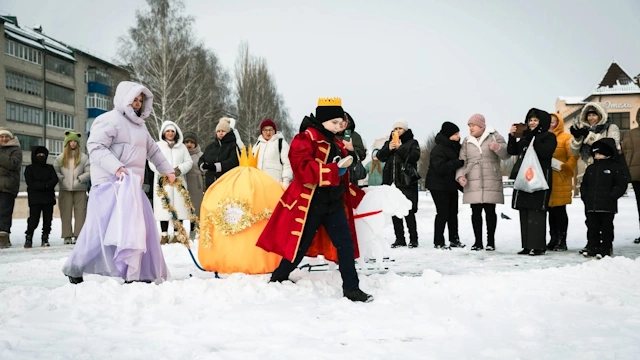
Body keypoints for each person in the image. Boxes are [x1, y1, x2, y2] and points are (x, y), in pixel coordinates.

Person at [256, 97, 373, 303]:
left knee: (345, 244)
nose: (339, 127)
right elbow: (302, 169)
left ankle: (352, 288)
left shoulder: (335, 141)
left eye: (341, 123)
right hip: (310, 204)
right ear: (324, 120)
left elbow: (342, 171)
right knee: (299, 245)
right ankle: (279, 276)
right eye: (335, 122)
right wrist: (334, 169)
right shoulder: (305, 138)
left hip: (334, 202)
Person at [62, 81, 176, 284]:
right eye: (134, 99)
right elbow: (95, 147)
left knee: (137, 229)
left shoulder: (141, 127)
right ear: (124, 99)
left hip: (131, 186)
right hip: (109, 184)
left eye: (141, 100)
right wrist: (116, 167)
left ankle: (135, 271)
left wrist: (167, 170)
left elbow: (153, 151)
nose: (137, 103)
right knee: (101, 228)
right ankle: (76, 267)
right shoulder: (108, 120)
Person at [569, 102, 620, 254]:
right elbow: (573, 151)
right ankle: (592, 243)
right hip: (588, 171)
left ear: (600, 115)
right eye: (589, 115)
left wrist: (588, 136)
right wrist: (578, 137)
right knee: (590, 215)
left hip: (606, 174)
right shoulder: (584, 129)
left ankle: (605, 245)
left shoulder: (611, 128)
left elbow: (611, 146)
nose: (591, 118)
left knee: (605, 217)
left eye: (594, 115)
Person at [455, 114, 510, 251]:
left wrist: (497, 148)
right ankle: (478, 242)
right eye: (469, 126)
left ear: (481, 125)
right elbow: (462, 160)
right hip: (473, 179)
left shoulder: (494, 136)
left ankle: (490, 242)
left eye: (472, 125)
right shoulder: (467, 141)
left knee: (490, 211)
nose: (470, 128)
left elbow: (506, 155)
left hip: (490, 178)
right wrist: (460, 176)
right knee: (475, 212)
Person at [508, 108, 557, 256]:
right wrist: (511, 136)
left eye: (535, 120)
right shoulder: (526, 136)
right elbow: (512, 151)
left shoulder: (549, 137)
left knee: (537, 212)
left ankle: (538, 246)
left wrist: (532, 139)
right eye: (530, 120)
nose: (532, 123)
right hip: (525, 179)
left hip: (539, 179)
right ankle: (527, 246)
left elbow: (545, 152)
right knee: (524, 211)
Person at [377, 119, 421, 248]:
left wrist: (400, 148)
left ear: (405, 130)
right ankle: (399, 238)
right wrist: (388, 149)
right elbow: (380, 156)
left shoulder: (412, 143)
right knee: (395, 210)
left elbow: (414, 157)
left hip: (406, 181)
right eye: (395, 129)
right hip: (391, 182)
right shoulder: (389, 142)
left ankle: (413, 238)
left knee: (408, 210)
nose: (397, 131)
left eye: (400, 129)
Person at [580, 138, 628, 258]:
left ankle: (605, 248)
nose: (597, 156)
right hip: (591, 204)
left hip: (607, 205)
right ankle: (593, 247)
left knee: (606, 228)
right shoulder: (591, 168)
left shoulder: (614, 167)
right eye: (595, 154)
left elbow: (621, 184)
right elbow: (584, 184)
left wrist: (612, 196)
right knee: (592, 227)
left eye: (600, 153)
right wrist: (585, 196)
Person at [150, 121, 193, 244]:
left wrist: (179, 170)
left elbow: (188, 162)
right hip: (163, 182)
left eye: (172, 131)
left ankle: (176, 234)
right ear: (163, 133)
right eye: (168, 131)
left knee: (178, 208)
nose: (170, 133)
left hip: (178, 181)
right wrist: (163, 171)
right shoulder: (157, 146)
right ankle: (164, 234)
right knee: (164, 207)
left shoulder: (182, 147)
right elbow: (151, 162)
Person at [425, 122, 465, 249]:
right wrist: (457, 163)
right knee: (443, 213)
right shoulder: (438, 149)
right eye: (455, 134)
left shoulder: (456, 147)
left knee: (453, 212)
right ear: (448, 135)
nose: (458, 136)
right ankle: (438, 241)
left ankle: (454, 239)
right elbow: (440, 167)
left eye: (458, 133)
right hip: (438, 185)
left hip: (451, 185)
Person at [546, 112, 578, 251]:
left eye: (554, 121)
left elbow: (573, 155)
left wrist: (567, 168)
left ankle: (562, 240)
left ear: (558, 122)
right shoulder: (544, 138)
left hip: (561, 178)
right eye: (549, 121)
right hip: (547, 178)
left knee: (559, 210)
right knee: (550, 211)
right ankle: (553, 239)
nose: (551, 124)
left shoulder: (566, 137)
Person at [54, 131, 90, 245]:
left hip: (80, 189)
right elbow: (55, 171)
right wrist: (62, 179)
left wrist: (80, 179)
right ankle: (67, 235)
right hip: (65, 190)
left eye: (75, 141)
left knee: (81, 213)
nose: (73, 143)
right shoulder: (60, 158)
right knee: (65, 213)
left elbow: (89, 172)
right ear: (67, 143)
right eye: (71, 141)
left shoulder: (84, 158)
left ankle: (79, 235)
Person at [24, 146, 58, 248]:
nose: (41, 156)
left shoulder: (50, 168)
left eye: (43, 154)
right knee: (34, 219)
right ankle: (29, 237)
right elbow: (30, 183)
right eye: (38, 154)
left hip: (48, 199)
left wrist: (47, 185)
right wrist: (44, 185)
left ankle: (45, 238)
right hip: (35, 199)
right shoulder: (29, 168)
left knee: (48, 220)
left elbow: (54, 179)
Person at [199, 118, 239, 189]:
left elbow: (233, 161)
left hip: (226, 180)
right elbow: (202, 158)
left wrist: (217, 167)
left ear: (228, 132)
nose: (220, 133)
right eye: (218, 131)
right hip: (211, 182)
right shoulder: (210, 147)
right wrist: (203, 165)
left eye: (223, 131)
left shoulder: (233, 146)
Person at [253, 118, 293, 187]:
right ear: (261, 131)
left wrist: (285, 183)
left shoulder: (281, 143)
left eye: (270, 130)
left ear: (274, 131)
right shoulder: (257, 145)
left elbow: (287, 164)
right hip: (259, 185)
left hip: (276, 185)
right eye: (265, 130)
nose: (268, 132)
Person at [0, 127, 22, 249]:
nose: (4, 139)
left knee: (4, 213)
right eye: (1, 137)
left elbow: (12, 164)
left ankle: (3, 237)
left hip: (7, 187)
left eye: (6, 137)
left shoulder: (15, 150)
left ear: (10, 138)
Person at [183, 131, 205, 240]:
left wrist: (204, 187)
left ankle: (194, 230)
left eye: (191, 142)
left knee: (195, 209)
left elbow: (204, 172)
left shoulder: (200, 156)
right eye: (186, 142)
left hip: (196, 185)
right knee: (182, 209)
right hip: (183, 184)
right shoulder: (181, 154)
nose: (189, 144)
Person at [337, 112, 367, 186]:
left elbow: (362, 156)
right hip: (333, 172)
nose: (341, 124)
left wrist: (352, 149)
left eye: (343, 122)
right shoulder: (330, 135)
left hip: (351, 174)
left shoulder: (354, 135)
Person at [621, 126, 640, 244]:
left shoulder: (630, 134)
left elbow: (626, 154)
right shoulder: (630, 134)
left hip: (635, 173)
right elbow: (626, 153)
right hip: (636, 174)